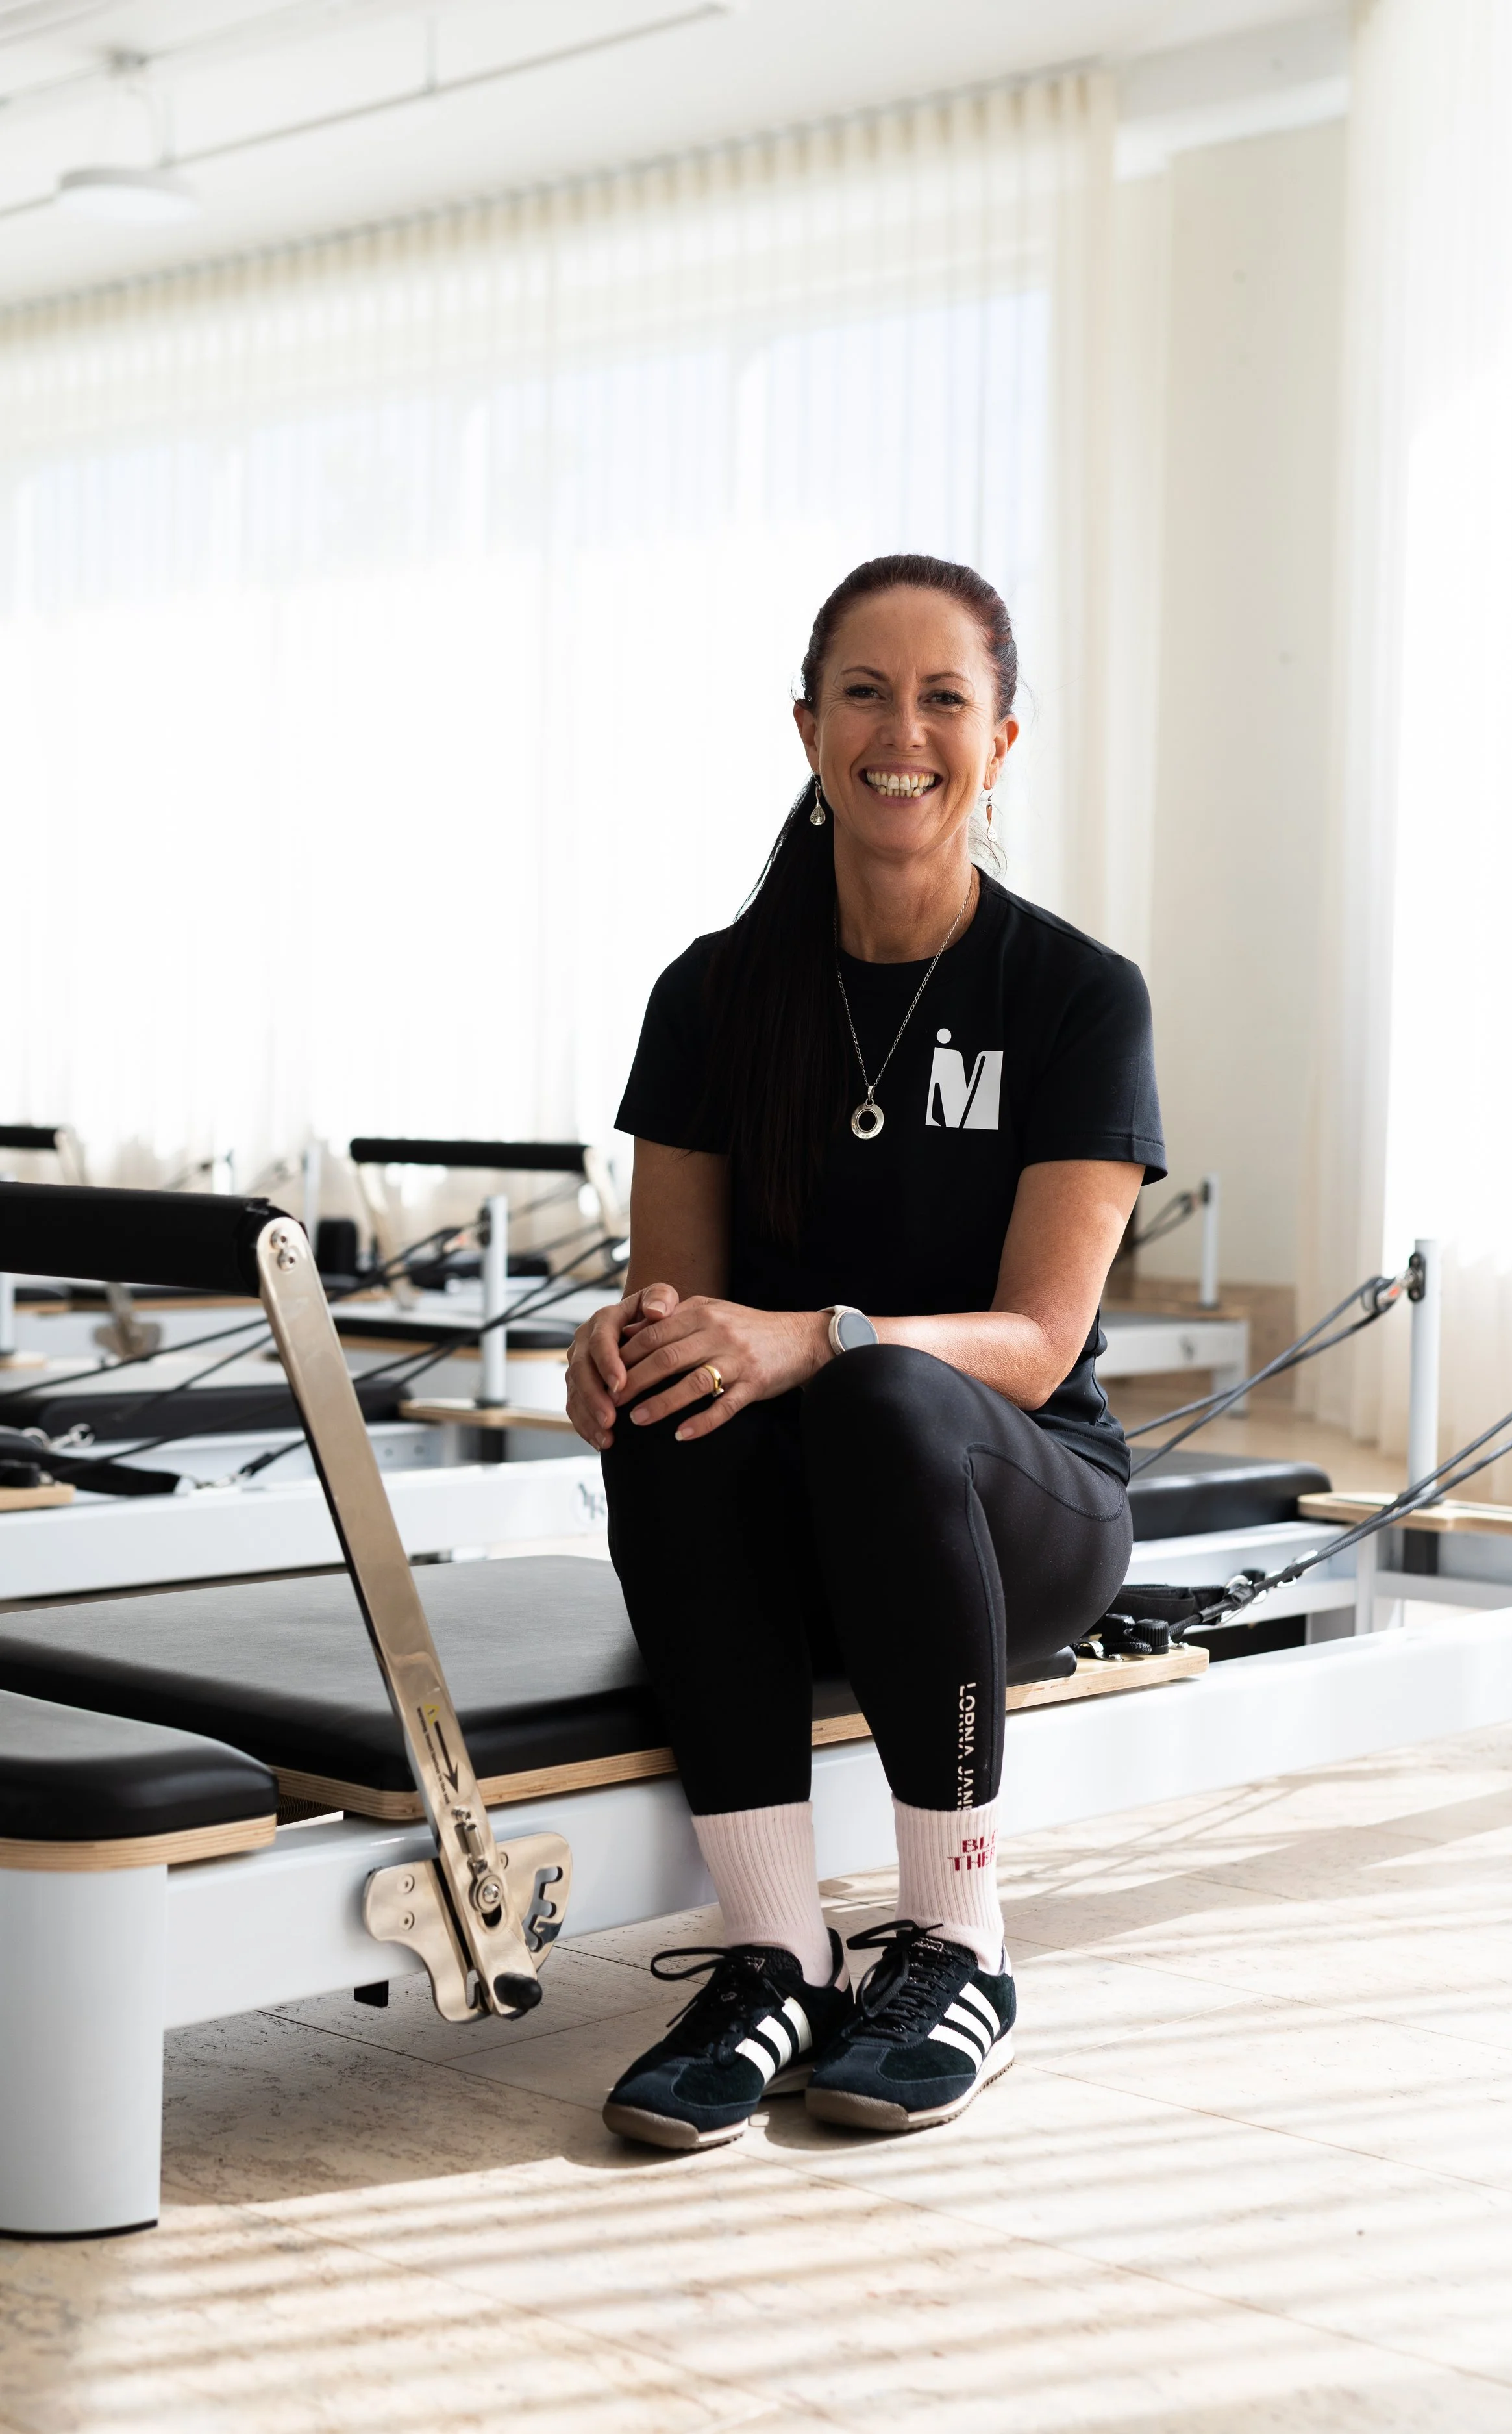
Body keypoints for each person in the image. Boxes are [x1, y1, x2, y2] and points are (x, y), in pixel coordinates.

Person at [565, 553, 1165, 2150]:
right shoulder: (709, 996)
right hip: (803, 1537)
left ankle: (959, 1944)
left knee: (889, 1388)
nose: (901, 731)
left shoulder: (1075, 997)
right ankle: (776, 1951)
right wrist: (623, 1348)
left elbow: (1037, 1344)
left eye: (942, 697)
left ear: (1000, 740)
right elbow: (679, 1306)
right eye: (863, 692)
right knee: (673, 1404)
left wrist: (817, 1335)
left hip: (1009, 1507)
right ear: (807, 725)